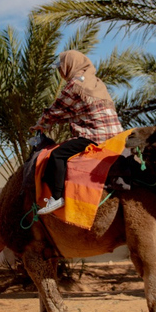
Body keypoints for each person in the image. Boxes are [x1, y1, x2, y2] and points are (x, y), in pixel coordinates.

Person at [30, 50, 123, 215]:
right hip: (116, 136)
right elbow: (74, 111)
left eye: (61, 67)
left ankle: (57, 197)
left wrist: (41, 124)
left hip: (94, 135)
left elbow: (57, 109)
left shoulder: (75, 84)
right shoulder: (96, 82)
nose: (60, 72)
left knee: (57, 155)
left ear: (69, 65)